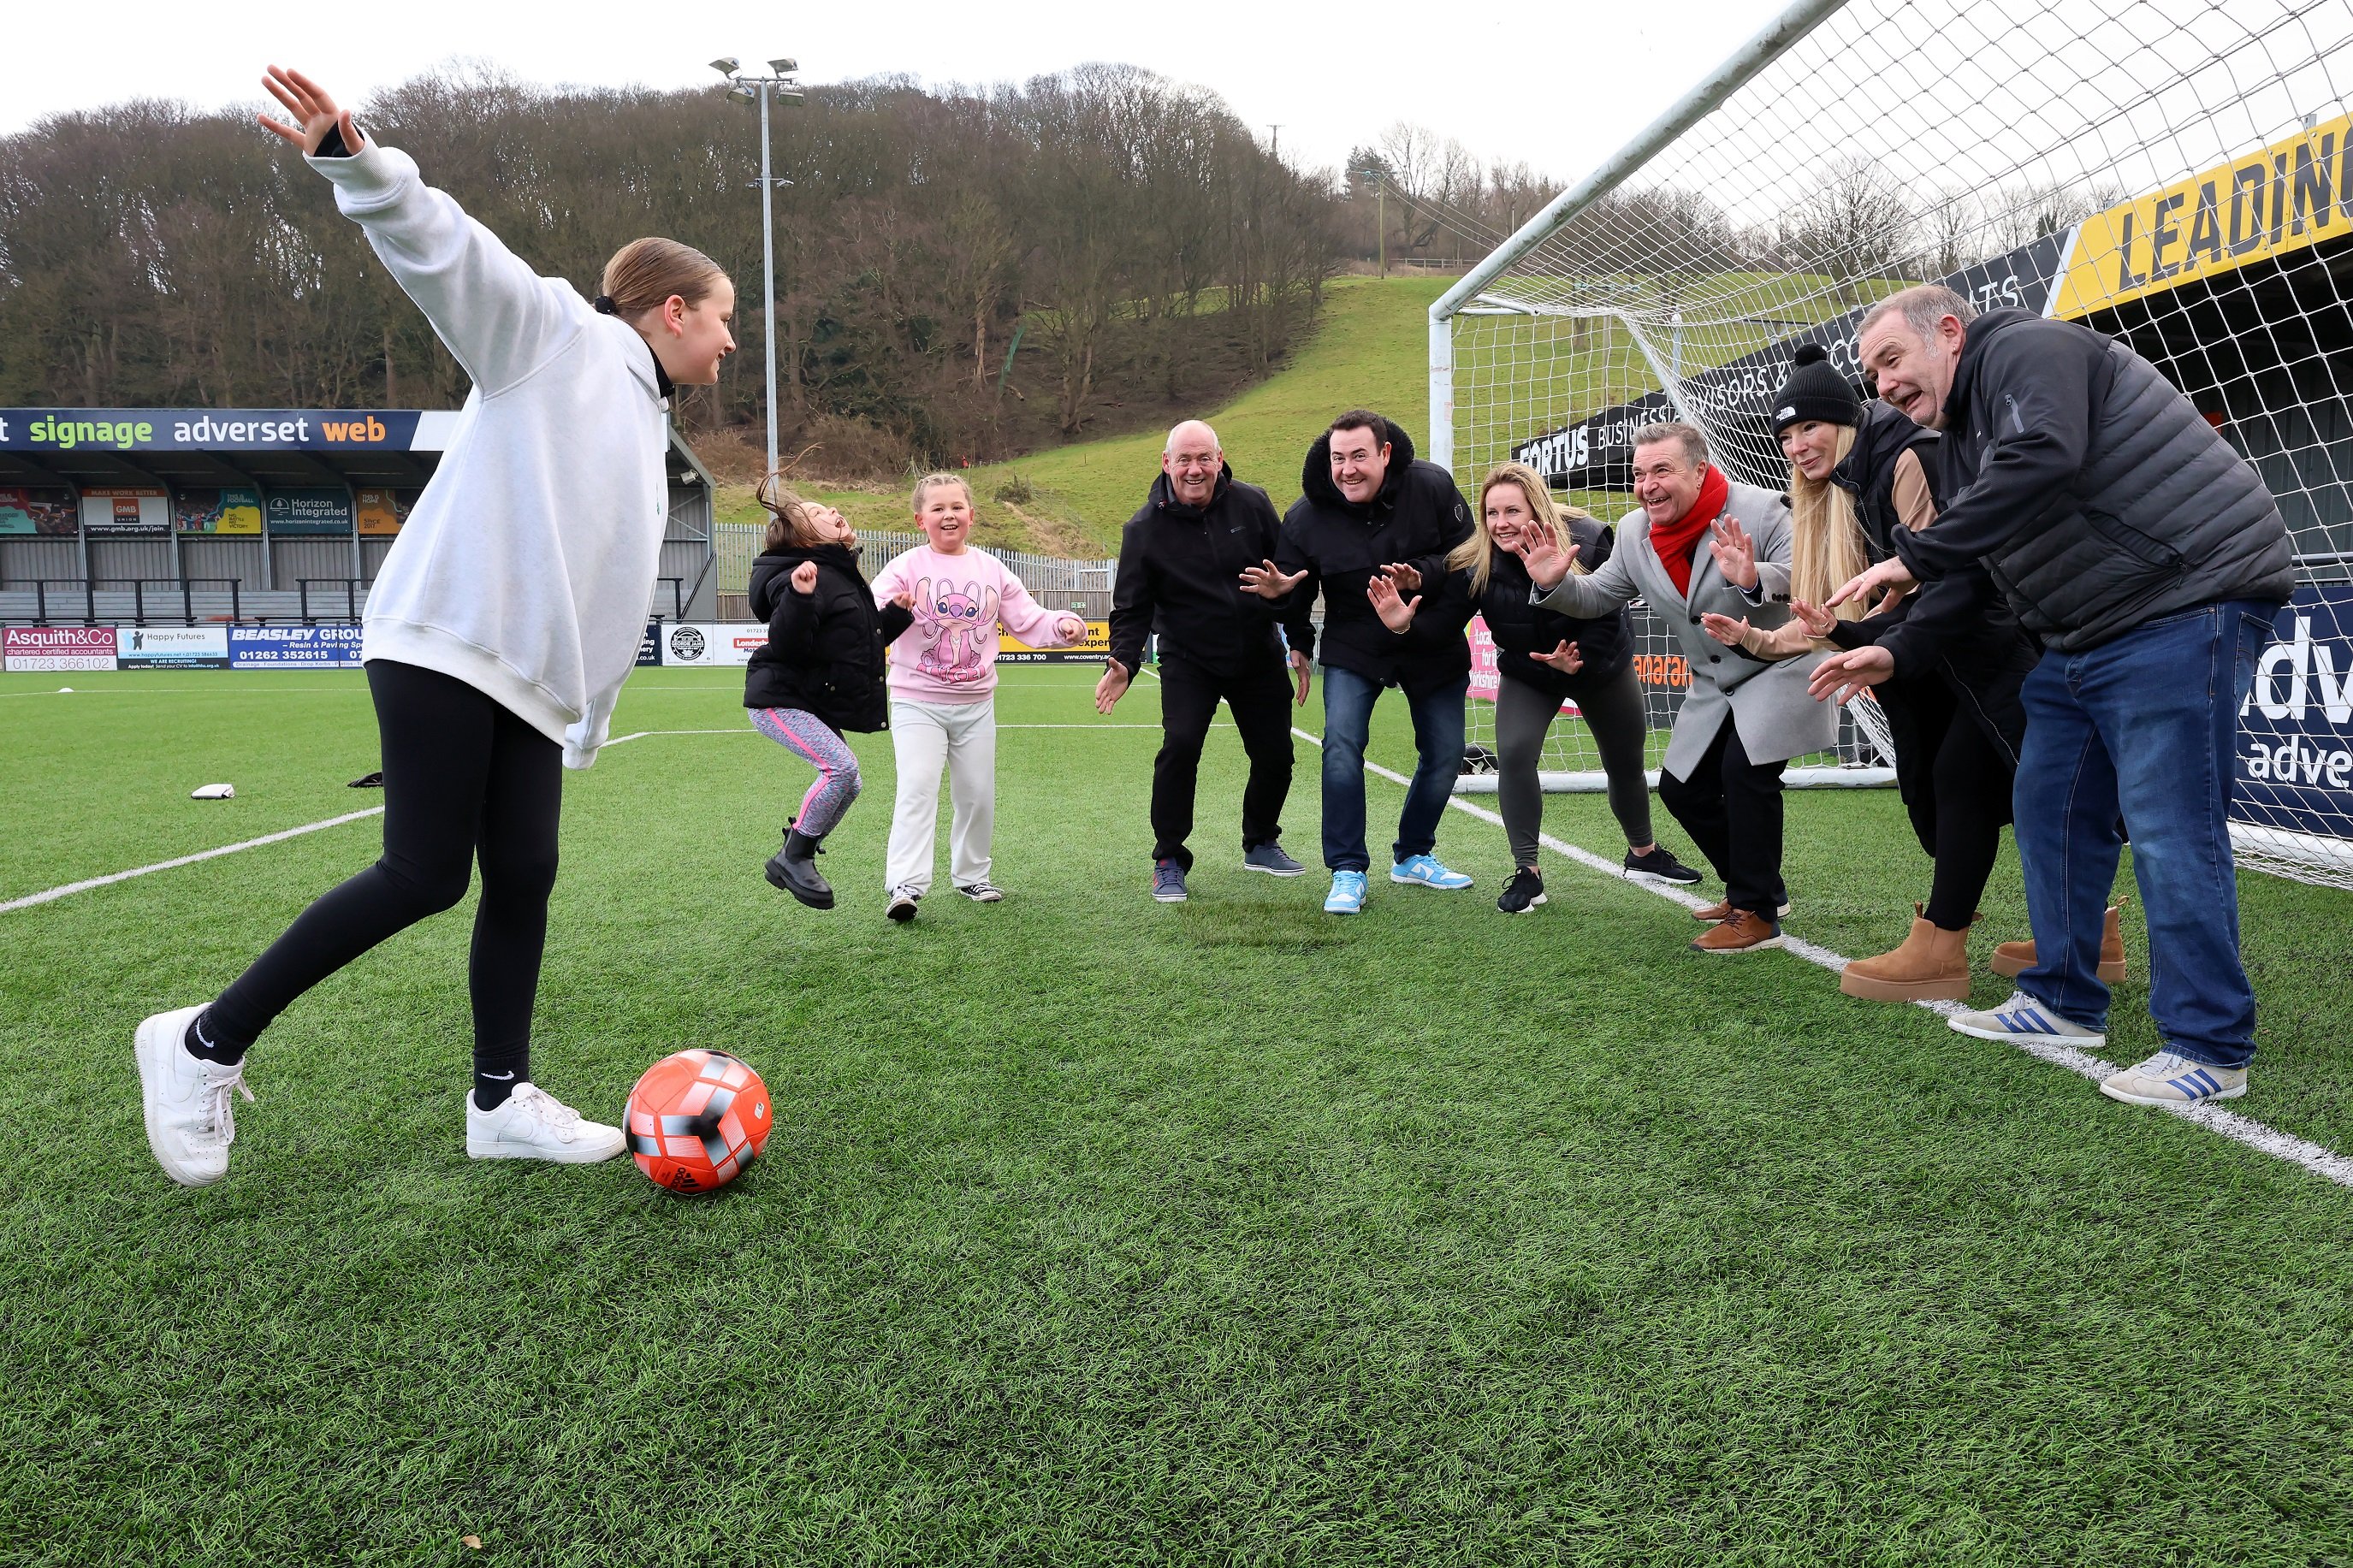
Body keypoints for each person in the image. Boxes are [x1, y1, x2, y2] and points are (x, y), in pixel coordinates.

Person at [133, 66, 738, 1186]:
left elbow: (603, 590)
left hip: (523, 684)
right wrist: (358, 166)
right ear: (672, 309)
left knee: (524, 873)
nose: (729, 344)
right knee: (423, 872)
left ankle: (499, 1099)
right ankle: (201, 1040)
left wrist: (587, 718)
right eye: (723, 320)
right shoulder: (557, 339)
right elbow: (452, 255)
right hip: (445, 641)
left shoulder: (644, 429)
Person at [1823, 284, 2292, 1105]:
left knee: (2169, 824)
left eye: (1892, 360)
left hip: (2184, 599)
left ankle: (2211, 1045)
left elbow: (2044, 456)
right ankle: (2063, 999)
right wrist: (1893, 654)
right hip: (2087, 633)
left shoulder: (2026, 349)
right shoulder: (1964, 431)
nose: (1884, 387)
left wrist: (1918, 552)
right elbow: (1972, 560)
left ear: (1950, 332)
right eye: (1872, 376)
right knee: (2049, 803)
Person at [1700, 344, 2036, 999]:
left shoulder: (1908, 457)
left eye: (1809, 427)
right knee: (1945, 813)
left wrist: (1884, 637)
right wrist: (1755, 635)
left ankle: (1944, 945)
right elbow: (1832, 616)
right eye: (1787, 434)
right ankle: (2087, 928)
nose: (1797, 446)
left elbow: (1950, 579)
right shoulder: (1827, 498)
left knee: (1981, 787)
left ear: (1847, 419)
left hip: (1981, 654)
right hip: (1916, 665)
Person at [1515, 422, 1836, 953]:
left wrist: (1752, 576)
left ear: (1701, 470)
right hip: (1716, 685)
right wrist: (1554, 583)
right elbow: (1598, 596)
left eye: (1662, 470)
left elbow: (1808, 581)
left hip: (1778, 666)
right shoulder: (1633, 532)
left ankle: (1755, 911)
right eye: (1640, 474)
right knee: (1682, 789)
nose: (1648, 485)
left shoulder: (1763, 510)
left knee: (1746, 776)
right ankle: (1760, 888)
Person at [1366, 460, 1700, 914]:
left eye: (1513, 512)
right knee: (1516, 754)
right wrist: (1403, 627)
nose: (1501, 523)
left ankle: (1644, 853)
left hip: (1599, 667)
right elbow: (1443, 625)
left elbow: (1611, 614)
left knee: (1624, 763)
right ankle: (1528, 872)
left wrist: (1578, 659)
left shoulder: (1588, 538)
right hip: (1529, 672)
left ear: (1537, 509)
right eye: (1491, 513)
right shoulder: (1475, 562)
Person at [1242, 411, 1477, 915]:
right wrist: (1288, 617)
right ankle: (1347, 869)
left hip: (1431, 640)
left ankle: (1414, 854)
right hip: (1354, 644)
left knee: (1444, 755)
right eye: (1338, 458)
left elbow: (1471, 561)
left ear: (1386, 454)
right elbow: (1291, 588)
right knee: (1341, 747)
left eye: (1359, 457)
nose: (1347, 469)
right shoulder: (1305, 515)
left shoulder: (1432, 486)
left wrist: (1422, 578)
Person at [1099, 420, 1305, 902]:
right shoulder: (1142, 529)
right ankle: (1169, 856)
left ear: (1219, 459)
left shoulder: (1252, 504)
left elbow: (1286, 576)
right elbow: (1131, 608)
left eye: (1204, 459)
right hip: (1189, 657)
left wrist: (1297, 636)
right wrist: (1124, 661)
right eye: (1184, 460)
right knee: (1182, 745)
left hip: (1257, 652)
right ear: (1166, 463)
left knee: (1275, 754)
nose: (1195, 470)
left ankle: (1260, 842)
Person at [870, 475, 1088, 922]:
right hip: (917, 700)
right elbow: (868, 622)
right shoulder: (904, 568)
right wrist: (893, 612)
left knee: (976, 794)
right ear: (920, 519)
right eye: (937, 509)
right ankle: (905, 885)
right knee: (917, 788)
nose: (948, 515)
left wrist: (1065, 624)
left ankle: (972, 876)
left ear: (972, 514)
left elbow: (1029, 620)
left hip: (976, 704)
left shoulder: (992, 570)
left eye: (956, 507)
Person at [743, 480, 915, 909]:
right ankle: (794, 856)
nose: (834, 510)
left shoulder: (837, 575)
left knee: (851, 782)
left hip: (806, 699)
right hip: (778, 699)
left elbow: (855, 643)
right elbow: (788, 643)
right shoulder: (797, 577)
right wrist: (800, 597)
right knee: (840, 766)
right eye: (820, 513)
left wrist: (895, 615)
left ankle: (795, 851)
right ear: (805, 538)